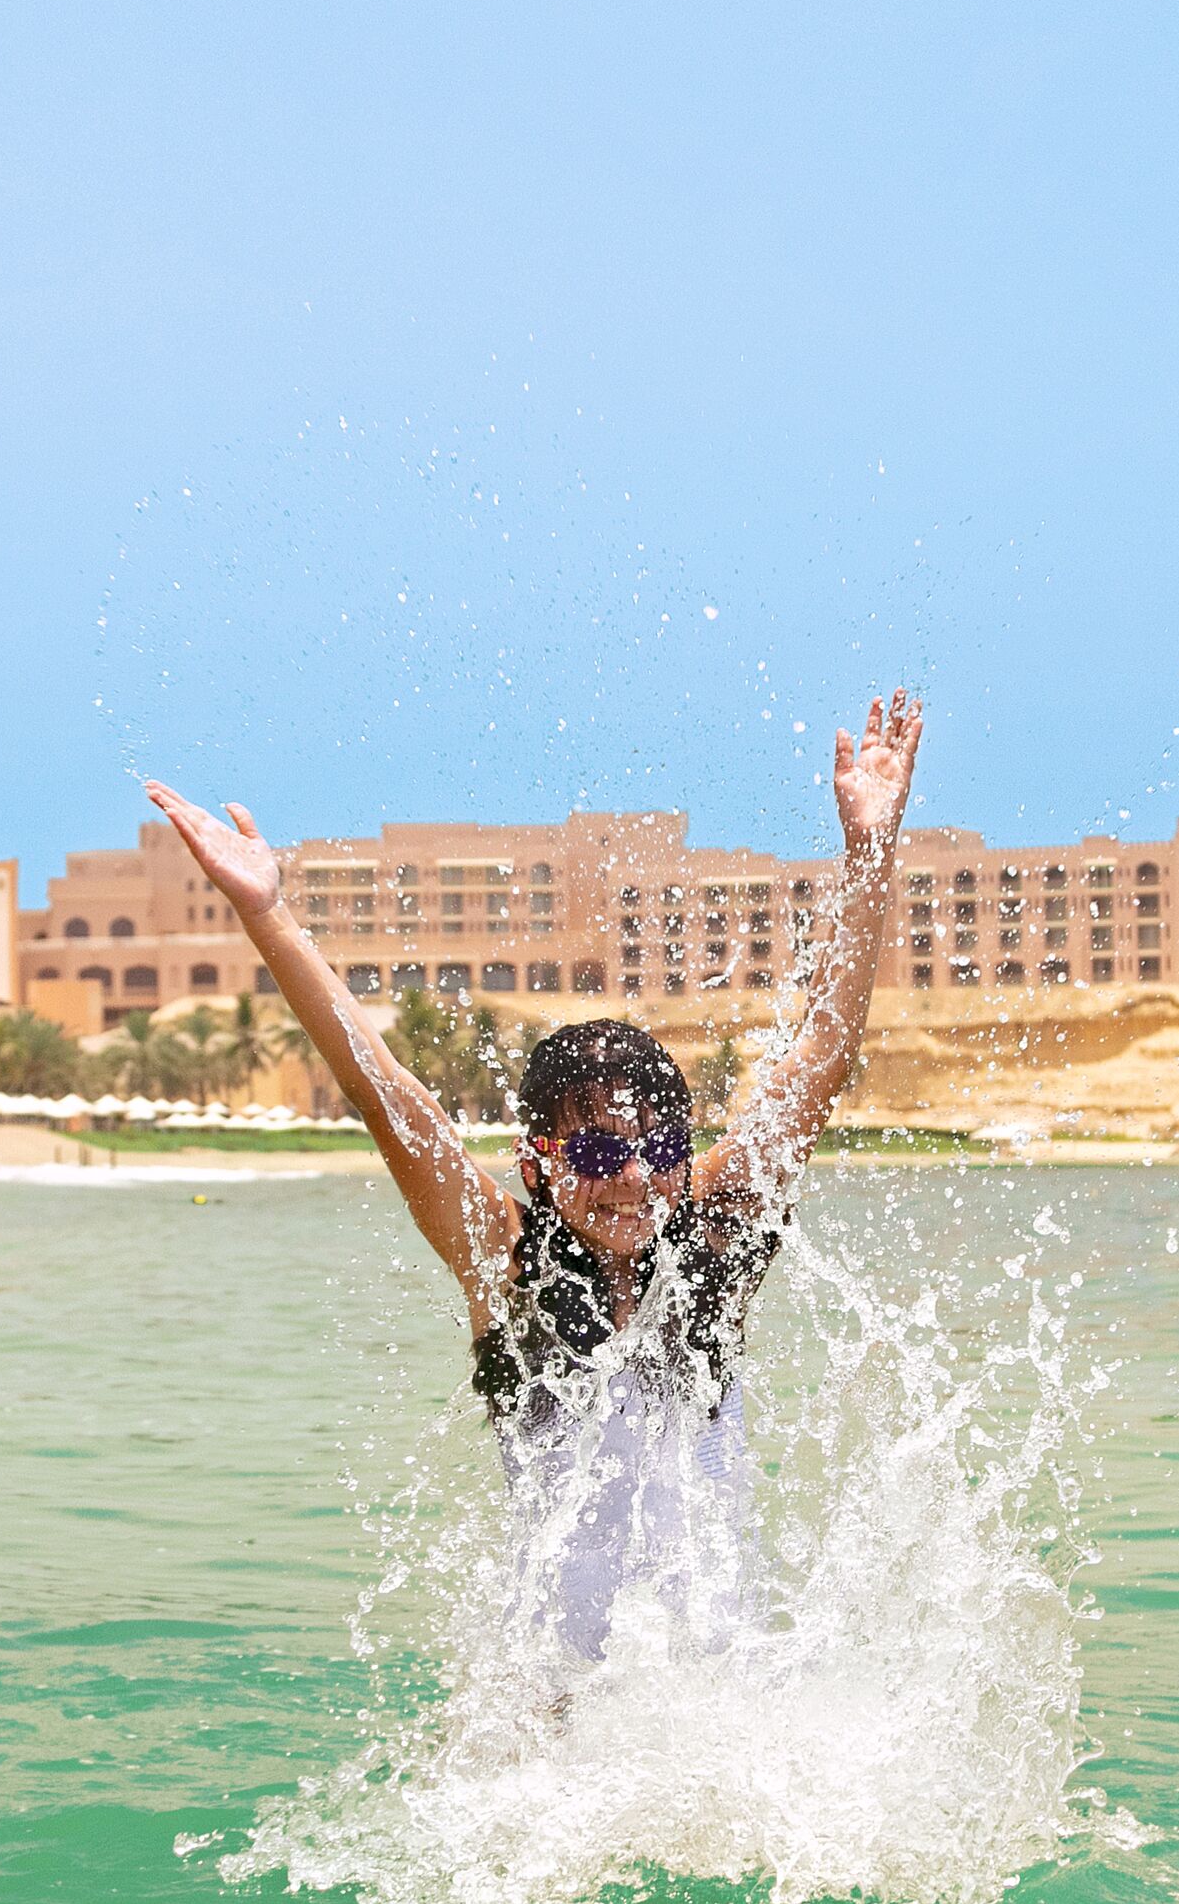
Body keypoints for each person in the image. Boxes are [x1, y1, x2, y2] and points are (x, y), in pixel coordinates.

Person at [142, 690, 927, 1659]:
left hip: (721, 1702)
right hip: (558, 1716)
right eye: (596, 1153)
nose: (632, 1178)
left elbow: (823, 1058)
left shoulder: (715, 1232)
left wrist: (871, 852)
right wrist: (268, 915)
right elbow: (388, 1100)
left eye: (658, 1150)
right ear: (537, 1165)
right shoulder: (508, 1263)